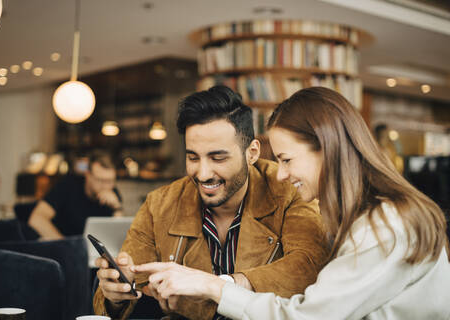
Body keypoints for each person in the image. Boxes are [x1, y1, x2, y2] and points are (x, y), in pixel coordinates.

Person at [134, 87, 450, 319]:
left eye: (286, 159)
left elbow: (305, 317)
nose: (281, 174)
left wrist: (214, 286)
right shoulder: (374, 215)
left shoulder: (382, 225)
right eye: (193, 157)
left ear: (326, 148)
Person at [93, 86, 329, 320]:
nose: (203, 173)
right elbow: (123, 288)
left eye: (218, 157)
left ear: (252, 153)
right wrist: (116, 294)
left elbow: (309, 266)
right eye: (193, 157)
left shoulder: (290, 188)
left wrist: (219, 286)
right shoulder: (160, 205)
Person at [28, 153, 122, 240]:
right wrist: (65, 245)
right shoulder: (68, 185)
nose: (105, 186)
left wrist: (116, 207)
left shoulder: (112, 193)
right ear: (88, 175)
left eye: (109, 181)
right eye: (100, 180)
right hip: (63, 247)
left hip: (94, 252)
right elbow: (37, 218)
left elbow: (117, 235)